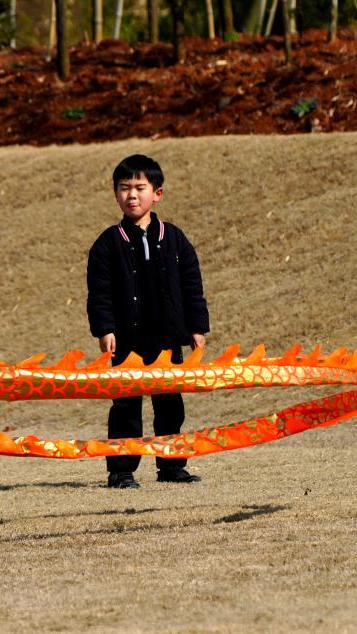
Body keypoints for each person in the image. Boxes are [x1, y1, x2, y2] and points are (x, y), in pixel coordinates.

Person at [86, 154, 209, 489]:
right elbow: (100, 292)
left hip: (168, 339)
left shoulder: (175, 238)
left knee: (170, 406)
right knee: (125, 407)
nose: (132, 195)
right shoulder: (108, 243)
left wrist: (197, 328)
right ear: (115, 194)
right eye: (124, 188)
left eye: (140, 188)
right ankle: (121, 471)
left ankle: (171, 466)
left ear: (157, 193)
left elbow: (192, 286)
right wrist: (105, 329)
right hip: (126, 341)